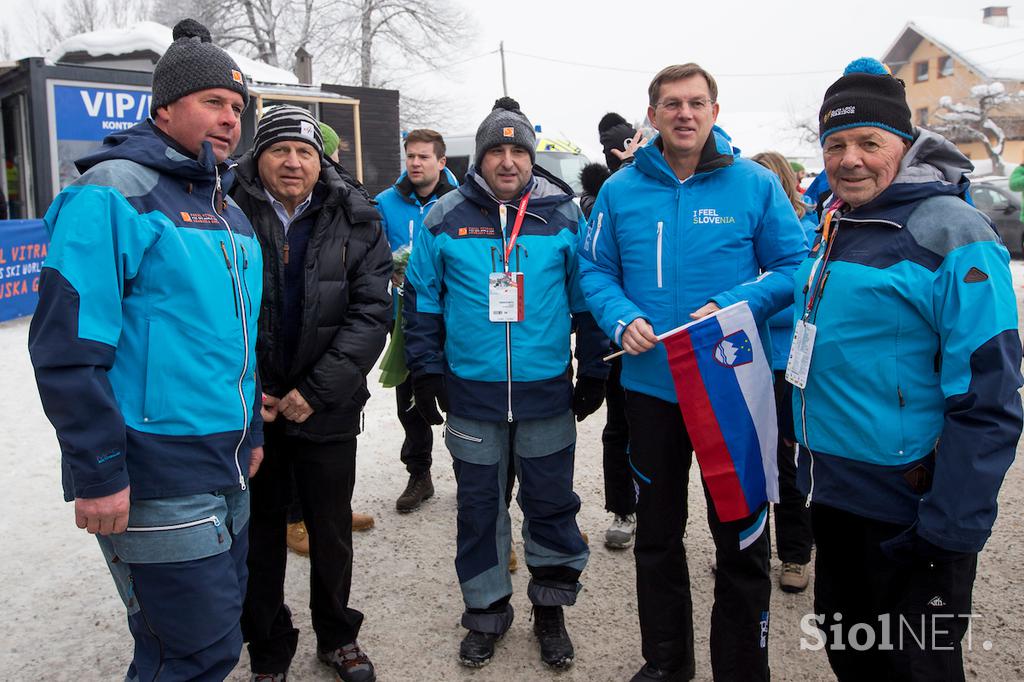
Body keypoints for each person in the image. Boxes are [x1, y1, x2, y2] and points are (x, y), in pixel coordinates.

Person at [28, 19, 262, 680]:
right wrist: (99, 469)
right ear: (163, 107)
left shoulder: (227, 207)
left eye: (237, 107)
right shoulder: (112, 194)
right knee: (191, 654)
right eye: (213, 101)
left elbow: (236, 341)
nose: (228, 119)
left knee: (214, 635)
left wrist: (248, 435)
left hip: (227, 462)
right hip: (155, 470)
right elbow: (68, 348)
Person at [795, 57, 1023, 681]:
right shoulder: (837, 222)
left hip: (911, 510)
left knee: (917, 670)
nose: (850, 159)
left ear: (906, 142)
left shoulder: (954, 232)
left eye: (870, 142)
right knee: (850, 654)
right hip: (835, 495)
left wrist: (950, 526)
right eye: (835, 144)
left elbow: (991, 395)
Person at [578, 63, 807, 682]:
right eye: (672, 103)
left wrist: (738, 305)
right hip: (652, 389)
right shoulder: (621, 192)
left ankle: (741, 667)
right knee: (656, 539)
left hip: (731, 387)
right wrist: (620, 315)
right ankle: (666, 663)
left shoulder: (754, 185)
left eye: (697, 102)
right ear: (651, 115)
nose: (685, 113)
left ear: (714, 110)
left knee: (741, 537)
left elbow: (794, 268)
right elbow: (593, 270)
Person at [403, 97, 608, 670]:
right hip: (472, 395)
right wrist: (426, 370)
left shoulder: (564, 214)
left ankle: (550, 610)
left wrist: (593, 368)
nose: (509, 160)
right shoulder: (443, 215)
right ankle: (487, 613)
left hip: (545, 392)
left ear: (531, 158)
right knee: (478, 508)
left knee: (550, 505)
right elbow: (421, 301)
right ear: (480, 157)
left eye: (519, 150)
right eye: (498, 149)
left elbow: (586, 300)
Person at [232, 105, 391, 682]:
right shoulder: (227, 211)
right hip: (256, 408)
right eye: (279, 150)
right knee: (260, 535)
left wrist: (315, 391)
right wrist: (259, 394)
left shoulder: (357, 215)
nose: (293, 162)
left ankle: (337, 635)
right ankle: (269, 647)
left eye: (305, 152)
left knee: (329, 526)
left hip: (329, 403)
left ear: (320, 159)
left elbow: (373, 311)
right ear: (259, 158)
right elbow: (215, 311)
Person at [375, 128, 458, 513]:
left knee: (459, 395)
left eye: (424, 157)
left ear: (441, 162)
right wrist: (390, 269)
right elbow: (370, 256)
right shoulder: (384, 204)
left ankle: (470, 472)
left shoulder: (461, 203)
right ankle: (419, 474)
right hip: (403, 316)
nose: (415, 163)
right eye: (410, 156)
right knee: (409, 399)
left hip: (454, 317)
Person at [750, 150, 817, 593]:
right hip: (743, 360)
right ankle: (749, 550)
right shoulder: (744, 234)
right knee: (748, 463)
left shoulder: (811, 235)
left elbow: (800, 302)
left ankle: (795, 554)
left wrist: (750, 302)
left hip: (784, 366)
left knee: (785, 464)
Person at [580, 112, 646, 550]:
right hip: (621, 336)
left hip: (676, 332)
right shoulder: (598, 199)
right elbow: (596, 269)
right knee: (620, 426)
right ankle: (623, 507)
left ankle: (659, 506)